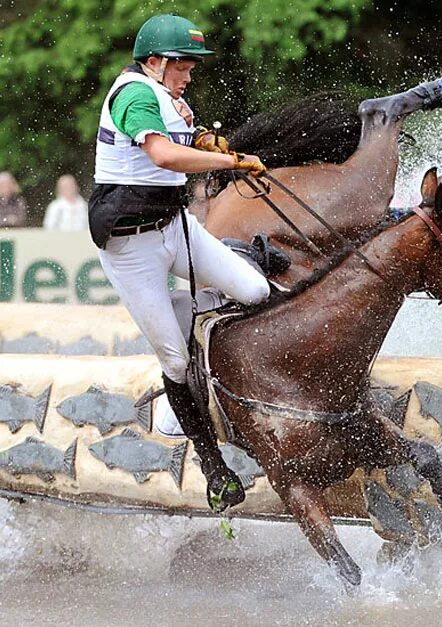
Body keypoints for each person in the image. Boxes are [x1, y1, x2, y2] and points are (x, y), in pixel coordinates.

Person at [89, 14, 270, 512]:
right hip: (132, 249)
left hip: (173, 227)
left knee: (256, 293)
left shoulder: (169, 98)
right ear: (154, 62)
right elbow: (164, 157)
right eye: (183, 66)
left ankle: (183, 316)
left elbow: (182, 148)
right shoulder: (133, 94)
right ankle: (215, 471)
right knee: (172, 359)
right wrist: (231, 162)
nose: (189, 75)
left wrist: (208, 143)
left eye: (191, 67)